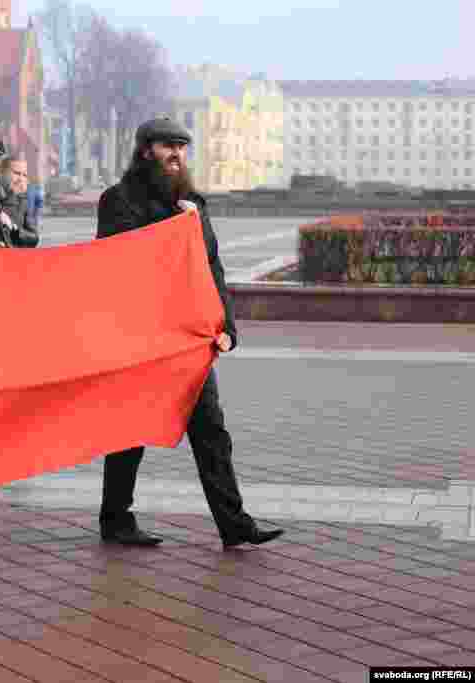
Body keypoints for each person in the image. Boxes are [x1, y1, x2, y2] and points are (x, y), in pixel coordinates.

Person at [95, 116, 284, 550]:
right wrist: (177, 230)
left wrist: (228, 326)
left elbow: (213, 268)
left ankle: (234, 524)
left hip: (189, 338)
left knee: (211, 430)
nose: (177, 154)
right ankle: (116, 518)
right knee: (130, 430)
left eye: (182, 146)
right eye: (167, 146)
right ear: (146, 151)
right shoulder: (118, 201)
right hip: (139, 339)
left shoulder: (193, 204)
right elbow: (118, 264)